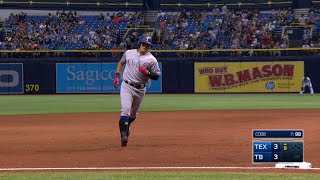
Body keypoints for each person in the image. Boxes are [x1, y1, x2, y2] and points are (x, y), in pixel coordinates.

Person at [113, 35, 161, 147]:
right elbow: (121, 62)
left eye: (148, 45)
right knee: (125, 110)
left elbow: (156, 76)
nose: (145, 46)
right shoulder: (129, 53)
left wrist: (147, 73)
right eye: (144, 44)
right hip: (127, 86)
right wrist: (116, 76)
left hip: (140, 89)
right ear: (140, 43)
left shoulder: (152, 60)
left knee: (133, 114)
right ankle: (124, 135)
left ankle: (126, 125)